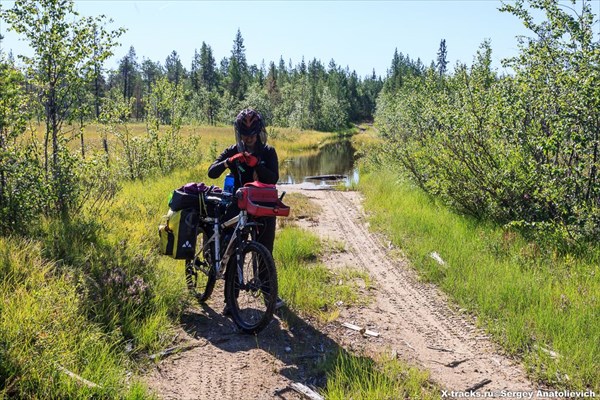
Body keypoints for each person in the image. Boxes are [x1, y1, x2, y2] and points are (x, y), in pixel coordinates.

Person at [208, 108, 284, 312]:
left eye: (252, 135)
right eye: (244, 135)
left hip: (263, 205)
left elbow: (273, 178)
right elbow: (212, 172)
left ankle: (269, 294)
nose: (248, 139)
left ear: (259, 133)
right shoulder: (233, 150)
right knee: (233, 248)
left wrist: (258, 164)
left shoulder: (268, 152)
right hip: (238, 204)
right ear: (238, 133)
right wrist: (228, 162)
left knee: (265, 250)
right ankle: (230, 301)